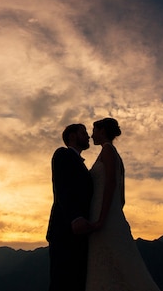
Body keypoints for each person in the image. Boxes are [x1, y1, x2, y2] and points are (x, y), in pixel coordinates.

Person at [86, 117, 161, 291]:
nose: (92, 135)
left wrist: (102, 218)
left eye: (94, 130)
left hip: (103, 215)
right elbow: (122, 197)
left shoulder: (108, 150)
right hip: (108, 213)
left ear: (102, 131)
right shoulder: (112, 153)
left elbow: (111, 183)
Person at [46, 123, 94, 291]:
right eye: (84, 132)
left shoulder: (82, 166)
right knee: (62, 282)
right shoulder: (62, 154)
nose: (88, 136)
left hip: (81, 232)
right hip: (64, 230)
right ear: (72, 136)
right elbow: (62, 187)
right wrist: (75, 217)